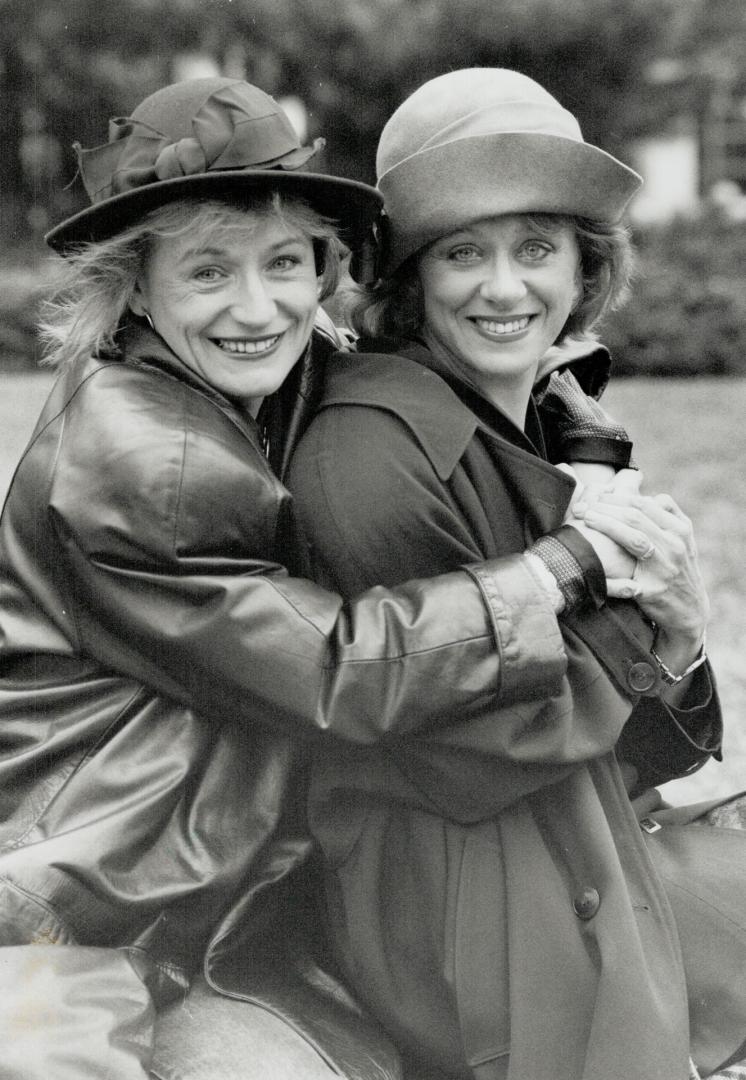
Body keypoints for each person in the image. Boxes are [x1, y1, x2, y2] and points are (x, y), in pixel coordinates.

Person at [0, 75, 646, 1080]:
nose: (258, 307)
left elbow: (404, 343)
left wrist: (566, 416)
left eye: (286, 264)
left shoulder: (244, 367)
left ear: (325, 269)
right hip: (94, 902)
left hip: (224, 876)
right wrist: (567, 563)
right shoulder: (146, 461)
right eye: (208, 273)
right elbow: (339, 671)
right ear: (136, 286)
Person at [287, 68, 746, 1080]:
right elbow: (474, 745)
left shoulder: (543, 419)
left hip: (571, 837)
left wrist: (677, 633)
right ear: (408, 278)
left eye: (535, 248)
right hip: (454, 904)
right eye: (461, 253)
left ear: (583, 267)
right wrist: (645, 623)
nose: (504, 289)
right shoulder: (366, 450)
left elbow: (630, 748)